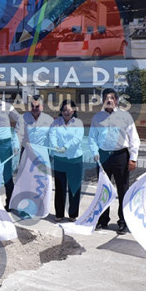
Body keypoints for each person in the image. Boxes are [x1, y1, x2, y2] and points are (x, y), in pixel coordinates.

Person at [89, 88, 140, 234]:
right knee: (103, 189)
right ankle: (103, 220)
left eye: (112, 98)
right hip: (103, 157)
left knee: (123, 189)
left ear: (116, 100)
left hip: (120, 157)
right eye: (106, 98)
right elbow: (92, 137)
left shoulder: (125, 116)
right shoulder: (97, 117)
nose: (109, 100)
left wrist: (133, 158)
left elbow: (134, 138)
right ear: (102, 100)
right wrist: (94, 152)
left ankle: (123, 221)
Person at [48, 99, 84, 221]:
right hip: (60, 159)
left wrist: (66, 147)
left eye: (68, 110)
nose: (66, 112)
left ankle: (73, 214)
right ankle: (59, 214)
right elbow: (52, 135)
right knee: (60, 188)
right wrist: (55, 146)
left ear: (73, 110)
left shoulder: (78, 123)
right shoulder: (56, 123)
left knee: (74, 187)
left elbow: (78, 138)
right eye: (63, 110)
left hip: (75, 160)